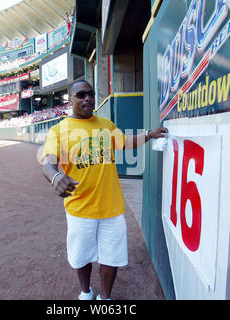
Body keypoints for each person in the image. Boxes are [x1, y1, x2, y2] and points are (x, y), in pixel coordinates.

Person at [41, 79, 167, 300]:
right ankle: (86, 292)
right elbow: (47, 163)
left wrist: (148, 134)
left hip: (111, 207)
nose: (87, 98)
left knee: (111, 258)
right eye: (81, 95)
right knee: (81, 257)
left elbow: (125, 142)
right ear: (70, 100)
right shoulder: (58, 130)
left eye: (90, 94)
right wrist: (56, 176)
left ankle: (105, 298)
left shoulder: (105, 125)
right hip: (80, 207)